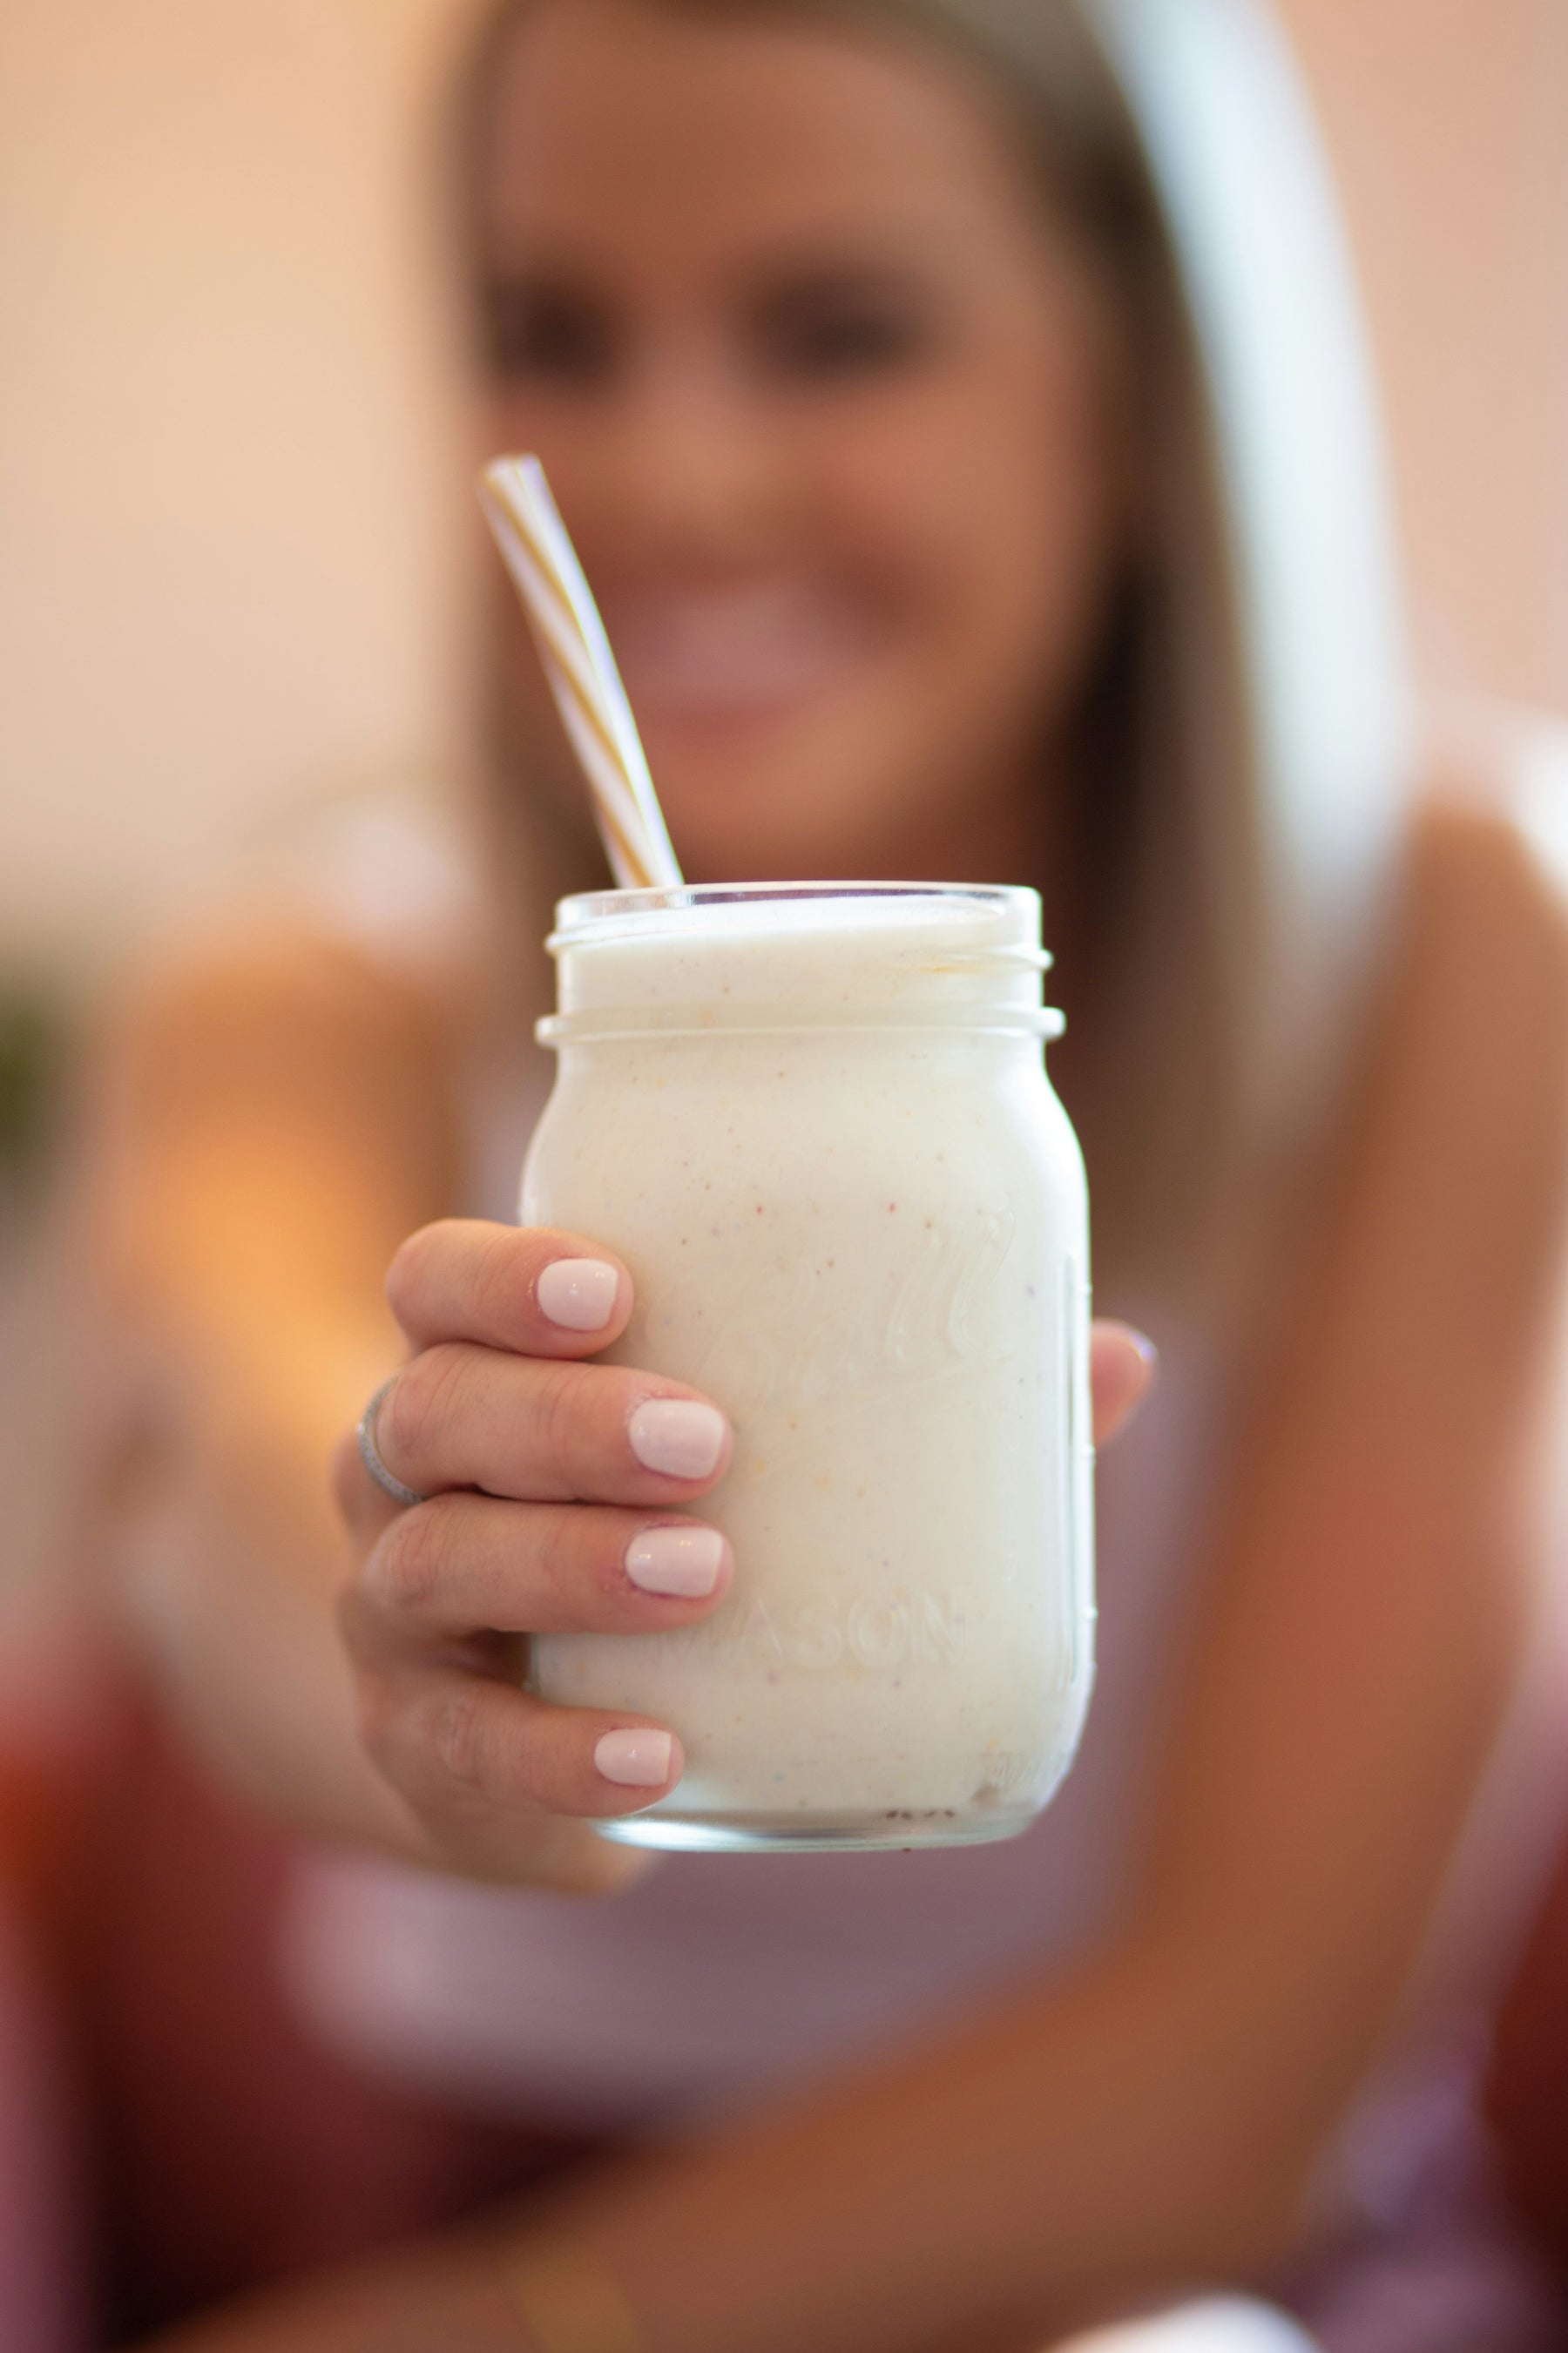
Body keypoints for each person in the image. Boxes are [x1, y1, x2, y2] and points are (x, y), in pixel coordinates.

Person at [88, 0, 1568, 2345]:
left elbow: (1251, 2073)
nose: (672, 478)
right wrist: (414, 1620)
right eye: (550, 328)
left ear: (1146, 394)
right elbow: (220, 1485)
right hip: (469, 2205)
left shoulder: (1458, 940)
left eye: (841, 333)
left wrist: (519, 2340)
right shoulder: (308, 991)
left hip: (1161, 2273)